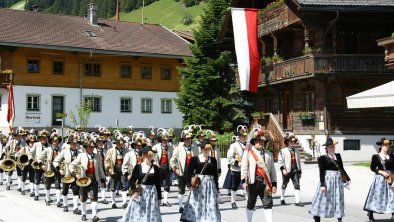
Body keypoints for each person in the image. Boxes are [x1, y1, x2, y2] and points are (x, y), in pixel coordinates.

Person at [309, 138, 351, 222]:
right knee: (322, 199)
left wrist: (347, 178)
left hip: (338, 181)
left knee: (339, 199)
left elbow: (341, 168)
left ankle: (339, 218)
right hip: (327, 181)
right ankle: (317, 216)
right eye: (331, 147)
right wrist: (322, 185)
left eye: (333, 146)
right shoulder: (322, 158)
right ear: (327, 148)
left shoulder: (338, 156)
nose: (332, 148)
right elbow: (321, 172)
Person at [241, 129, 277, 222]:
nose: (261, 143)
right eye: (259, 141)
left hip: (266, 182)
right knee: (251, 203)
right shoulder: (249, 152)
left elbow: (272, 170)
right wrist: (243, 181)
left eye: (263, 141)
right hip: (253, 182)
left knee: (268, 204)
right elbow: (244, 167)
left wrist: (274, 184)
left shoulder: (269, 154)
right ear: (254, 142)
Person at [180, 139, 221, 222]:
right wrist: (189, 185)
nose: (206, 151)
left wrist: (217, 187)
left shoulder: (213, 160)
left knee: (211, 203)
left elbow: (215, 175)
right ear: (201, 149)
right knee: (198, 203)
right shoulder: (195, 159)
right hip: (199, 183)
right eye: (205, 149)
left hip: (210, 185)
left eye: (208, 149)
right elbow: (189, 172)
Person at [121, 146, 162, 222]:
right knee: (139, 212)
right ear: (143, 155)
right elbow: (132, 180)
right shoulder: (138, 167)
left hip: (152, 194)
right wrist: (135, 191)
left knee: (152, 214)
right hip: (141, 193)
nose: (149, 158)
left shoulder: (156, 168)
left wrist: (159, 198)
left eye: (151, 156)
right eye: (147, 156)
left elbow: (158, 184)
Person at [69, 138, 106, 222]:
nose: (91, 148)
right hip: (83, 180)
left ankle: (94, 216)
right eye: (89, 147)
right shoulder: (81, 156)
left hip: (94, 179)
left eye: (92, 147)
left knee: (94, 197)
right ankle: (84, 213)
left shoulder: (97, 156)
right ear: (85, 147)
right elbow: (71, 165)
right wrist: (76, 175)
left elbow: (100, 169)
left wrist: (102, 179)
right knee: (83, 197)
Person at [363, 138, 394, 222]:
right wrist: (382, 172)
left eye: (388, 145)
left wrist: (392, 174)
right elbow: (372, 168)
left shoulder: (391, 155)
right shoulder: (376, 156)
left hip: (390, 179)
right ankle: (371, 212)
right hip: (380, 179)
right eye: (385, 145)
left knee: (392, 196)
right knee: (376, 197)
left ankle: (393, 214)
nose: (387, 146)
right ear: (381, 146)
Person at [53, 134, 82, 214]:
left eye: (76, 143)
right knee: (65, 191)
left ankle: (75, 208)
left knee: (76, 191)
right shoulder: (64, 152)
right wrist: (59, 170)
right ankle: (65, 205)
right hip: (67, 175)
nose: (74, 145)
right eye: (73, 143)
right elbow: (55, 161)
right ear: (70, 143)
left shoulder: (80, 152)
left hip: (76, 175)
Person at [170, 130, 195, 213]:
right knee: (181, 190)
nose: (189, 140)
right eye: (187, 139)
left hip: (191, 172)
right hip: (182, 171)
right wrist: (175, 169)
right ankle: (180, 206)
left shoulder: (193, 149)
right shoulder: (178, 149)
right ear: (183, 140)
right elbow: (172, 161)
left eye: (190, 139)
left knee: (192, 188)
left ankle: (190, 205)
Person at [278, 132, 304, 206]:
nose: (292, 143)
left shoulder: (297, 150)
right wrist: (283, 169)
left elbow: (298, 161)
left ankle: (297, 201)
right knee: (284, 184)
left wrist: (300, 171)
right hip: (287, 170)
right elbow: (280, 161)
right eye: (290, 141)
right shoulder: (283, 151)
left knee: (297, 184)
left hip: (295, 169)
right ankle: (282, 198)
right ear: (287, 142)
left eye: (293, 141)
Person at [37, 132, 62, 207]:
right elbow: (39, 157)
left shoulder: (61, 150)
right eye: (54, 141)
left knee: (58, 185)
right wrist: (42, 165)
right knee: (47, 185)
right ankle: (47, 199)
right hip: (49, 168)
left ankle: (58, 201)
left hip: (57, 169)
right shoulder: (47, 149)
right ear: (51, 141)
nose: (55, 142)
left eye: (57, 141)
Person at [105, 134, 129, 208]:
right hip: (114, 170)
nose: (121, 144)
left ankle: (125, 202)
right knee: (113, 187)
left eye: (122, 143)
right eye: (119, 142)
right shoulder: (111, 150)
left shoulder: (126, 150)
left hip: (123, 170)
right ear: (117, 143)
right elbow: (106, 161)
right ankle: (113, 202)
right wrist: (108, 168)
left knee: (124, 186)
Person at [226, 126, 247, 209]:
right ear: (239, 137)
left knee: (247, 185)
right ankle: (233, 201)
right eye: (243, 136)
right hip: (237, 168)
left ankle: (248, 202)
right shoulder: (234, 145)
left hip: (246, 169)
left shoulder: (248, 145)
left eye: (245, 136)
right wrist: (238, 163)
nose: (244, 137)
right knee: (235, 185)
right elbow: (229, 158)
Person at [153, 130, 173, 207]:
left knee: (167, 185)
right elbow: (153, 157)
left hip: (167, 168)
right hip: (158, 168)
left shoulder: (170, 147)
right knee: (157, 185)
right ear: (161, 140)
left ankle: (165, 201)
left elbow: (172, 157)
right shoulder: (156, 147)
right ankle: (158, 200)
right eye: (163, 140)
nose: (165, 141)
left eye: (166, 140)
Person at [29, 129, 49, 201]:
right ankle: (36, 194)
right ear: (40, 138)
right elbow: (30, 153)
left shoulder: (49, 145)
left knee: (47, 181)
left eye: (45, 137)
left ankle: (47, 197)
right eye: (42, 138)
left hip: (47, 166)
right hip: (38, 165)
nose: (44, 139)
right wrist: (31, 160)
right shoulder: (36, 144)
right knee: (37, 180)